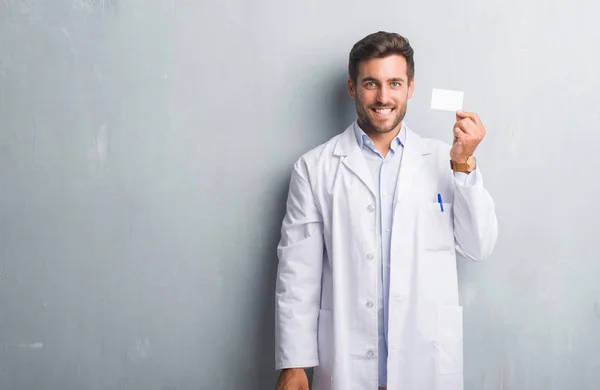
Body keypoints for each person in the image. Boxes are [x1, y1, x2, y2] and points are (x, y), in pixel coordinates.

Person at [274, 31, 498, 390]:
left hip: (425, 360)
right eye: (370, 84)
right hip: (347, 362)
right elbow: (297, 274)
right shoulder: (314, 169)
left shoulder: (447, 159)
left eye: (394, 83)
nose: (383, 97)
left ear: (410, 87)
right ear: (352, 87)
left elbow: (479, 245)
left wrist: (464, 165)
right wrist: (294, 363)